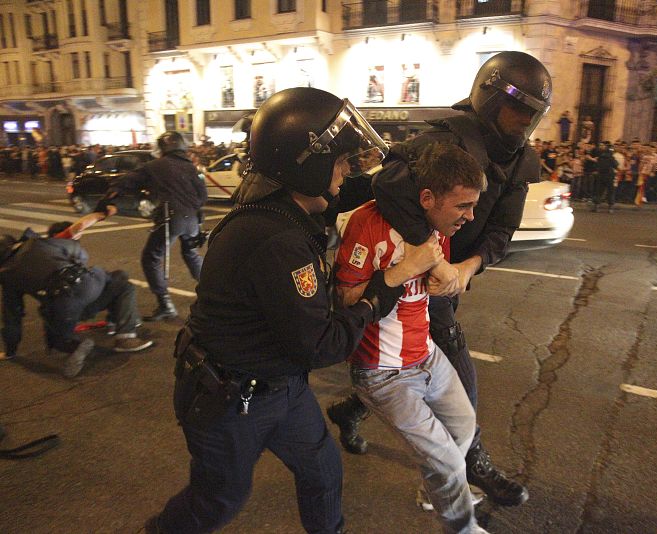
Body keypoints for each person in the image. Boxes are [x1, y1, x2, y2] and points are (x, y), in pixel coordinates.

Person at [147, 87, 403, 534]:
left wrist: (406, 170)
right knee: (216, 503)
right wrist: (375, 298)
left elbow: (350, 191)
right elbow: (321, 344)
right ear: (308, 165)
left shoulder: (281, 206)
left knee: (323, 471)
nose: (345, 172)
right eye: (340, 163)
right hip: (228, 401)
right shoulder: (276, 238)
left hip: (278, 388)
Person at [327, 50, 551, 508]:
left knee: (406, 368)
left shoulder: (518, 160)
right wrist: (434, 260)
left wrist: (465, 269)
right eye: (516, 109)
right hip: (411, 272)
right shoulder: (447, 139)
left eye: (532, 113)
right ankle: (471, 468)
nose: (522, 122)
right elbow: (387, 187)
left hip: (447, 276)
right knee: (457, 378)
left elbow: (501, 231)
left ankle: (351, 409)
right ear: (489, 99)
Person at [335, 143, 487, 533]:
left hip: (426, 354)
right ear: (427, 198)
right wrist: (404, 270)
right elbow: (345, 297)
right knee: (450, 463)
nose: (470, 216)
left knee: (464, 429)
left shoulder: (436, 227)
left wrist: (443, 282)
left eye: (473, 206)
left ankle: (432, 490)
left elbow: (437, 277)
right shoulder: (367, 223)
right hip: (382, 373)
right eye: (462, 206)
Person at [0, 211, 152, 377]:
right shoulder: (37, 243)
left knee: (54, 326)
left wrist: (10, 350)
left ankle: (73, 345)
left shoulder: (8, 275)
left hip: (65, 306)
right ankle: (125, 336)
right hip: (89, 284)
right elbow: (77, 251)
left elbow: (12, 317)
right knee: (122, 284)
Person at [101, 131, 208, 321]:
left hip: (170, 217)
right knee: (191, 254)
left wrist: (111, 193)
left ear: (164, 147)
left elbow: (128, 181)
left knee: (151, 257)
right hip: (192, 218)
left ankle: (165, 304)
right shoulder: (191, 167)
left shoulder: (155, 166)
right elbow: (202, 195)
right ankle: (211, 294)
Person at [591, 141, 618, 213]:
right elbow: (616, 165)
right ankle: (610, 208)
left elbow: (596, 165)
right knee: (610, 192)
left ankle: (597, 207)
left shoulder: (601, 156)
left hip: (602, 175)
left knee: (599, 191)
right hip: (609, 175)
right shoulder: (611, 156)